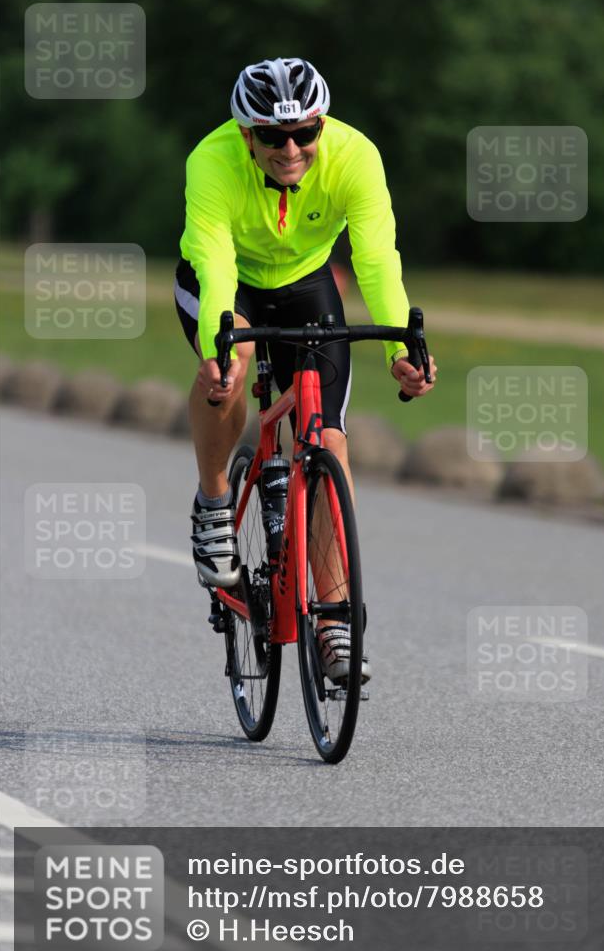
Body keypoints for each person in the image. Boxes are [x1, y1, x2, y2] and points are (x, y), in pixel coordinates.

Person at [175, 57, 437, 682]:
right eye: (271, 135)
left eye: (304, 133)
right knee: (234, 363)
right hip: (227, 281)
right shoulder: (210, 160)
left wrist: (400, 349)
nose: (290, 148)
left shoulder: (356, 156)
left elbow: (376, 259)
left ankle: (336, 619)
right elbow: (212, 260)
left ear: (322, 125)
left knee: (327, 440)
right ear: (246, 134)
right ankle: (214, 504)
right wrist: (220, 346)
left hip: (305, 283)